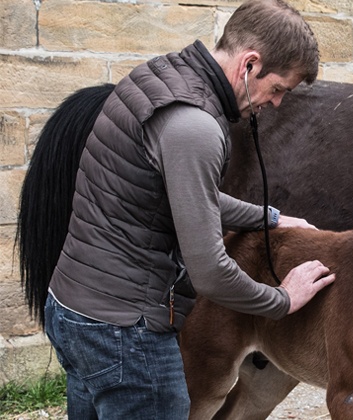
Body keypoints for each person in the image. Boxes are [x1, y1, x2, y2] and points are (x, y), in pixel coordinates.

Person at [44, 0, 335, 418]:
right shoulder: (195, 126)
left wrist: (270, 217)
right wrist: (283, 299)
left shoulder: (161, 76)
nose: (275, 104)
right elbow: (211, 272)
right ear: (250, 65)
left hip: (74, 311)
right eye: (277, 90)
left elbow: (188, 194)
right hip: (126, 335)